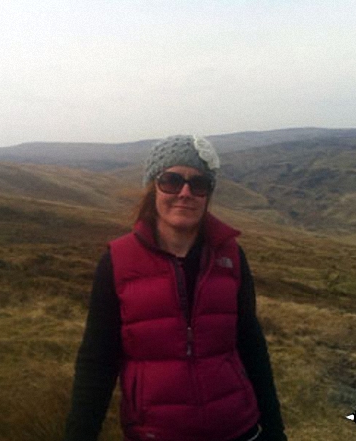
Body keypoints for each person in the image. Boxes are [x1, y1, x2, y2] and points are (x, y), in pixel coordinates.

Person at [65, 135, 287, 441]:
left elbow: (252, 347)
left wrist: (275, 432)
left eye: (199, 184)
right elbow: (97, 362)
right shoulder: (117, 262)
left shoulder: (231, 256)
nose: (185, 193)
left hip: (239, 430)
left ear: (208, 194)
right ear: (152, 187)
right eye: (171, 181)